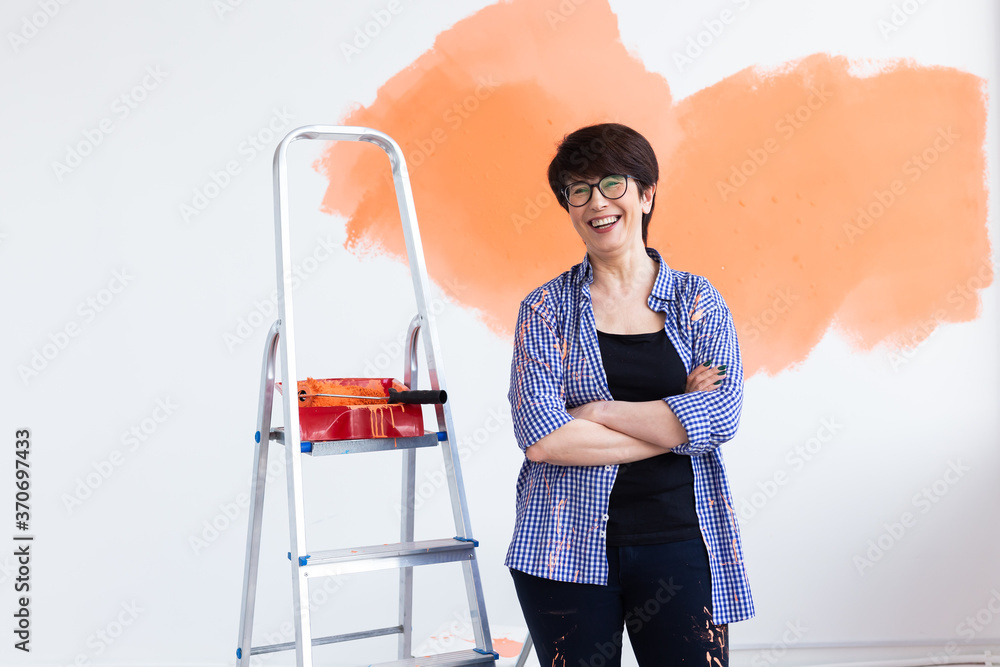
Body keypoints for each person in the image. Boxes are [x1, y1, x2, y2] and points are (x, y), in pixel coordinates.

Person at [505, 123, 753, 666]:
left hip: (681, 542)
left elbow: (720, 415)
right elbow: (544, 439)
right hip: (561, 549)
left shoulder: (696, 300)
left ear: (646, 193)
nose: (597, 203)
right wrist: (677, 428)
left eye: (612, 184)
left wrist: (597, 413)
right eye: (578, 190)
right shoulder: (545, 311)